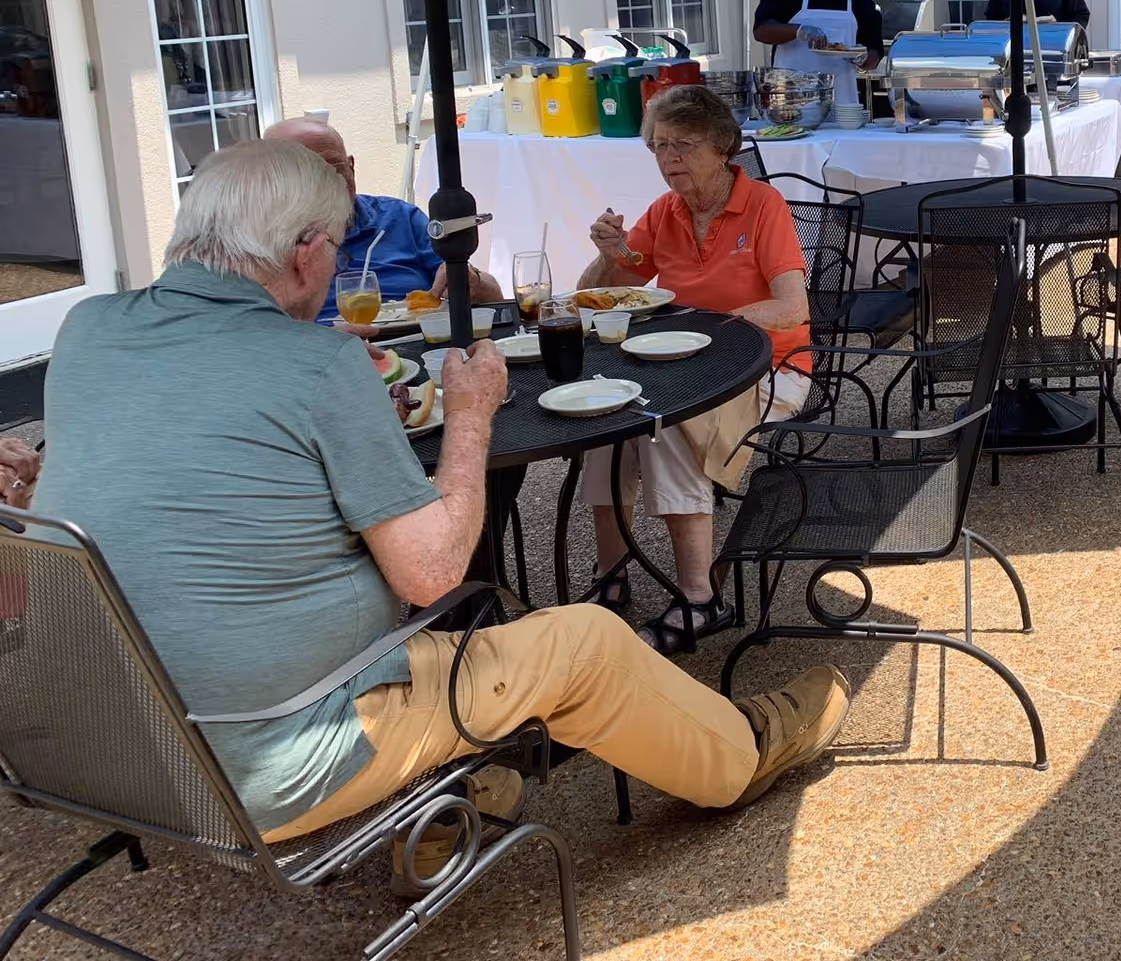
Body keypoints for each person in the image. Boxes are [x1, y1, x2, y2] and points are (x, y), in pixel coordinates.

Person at [33, 140, 849, 867]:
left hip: (101, 745)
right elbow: (430, 573)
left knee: (477, 627)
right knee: (587, 642)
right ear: (306, 251)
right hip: (271, 758)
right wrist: (468, 418)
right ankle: (745, 754)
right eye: (335, 248)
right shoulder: (316, 367)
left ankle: (459, 787)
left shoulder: (88, 331)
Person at [577, 85, 812, 649]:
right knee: (604, 428)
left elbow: (792, 308)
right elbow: (595, 297)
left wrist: (716, 329)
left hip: (768, 367)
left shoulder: (762, 206)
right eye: (658, 147)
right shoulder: (666, 213)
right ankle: (612, 577)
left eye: (682, 145)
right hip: (681, 364)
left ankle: (699, 599)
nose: (668, 160)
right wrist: (609, 255)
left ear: (722, 146)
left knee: (665, 427)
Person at [263, 116, 503, 328]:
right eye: (306, 174)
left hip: (422, 346)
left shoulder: (399, 217)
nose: (325, 184)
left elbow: (494, 297)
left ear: (351, 167)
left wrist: (470, 280)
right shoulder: (258, 246)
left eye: (333, 168)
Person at [752, 0, 883, 110]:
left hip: (842, 108)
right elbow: (761, 31)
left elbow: (874, 55)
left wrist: (864, 58)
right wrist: (798, 31)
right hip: (790, 104)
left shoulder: (861, 0)